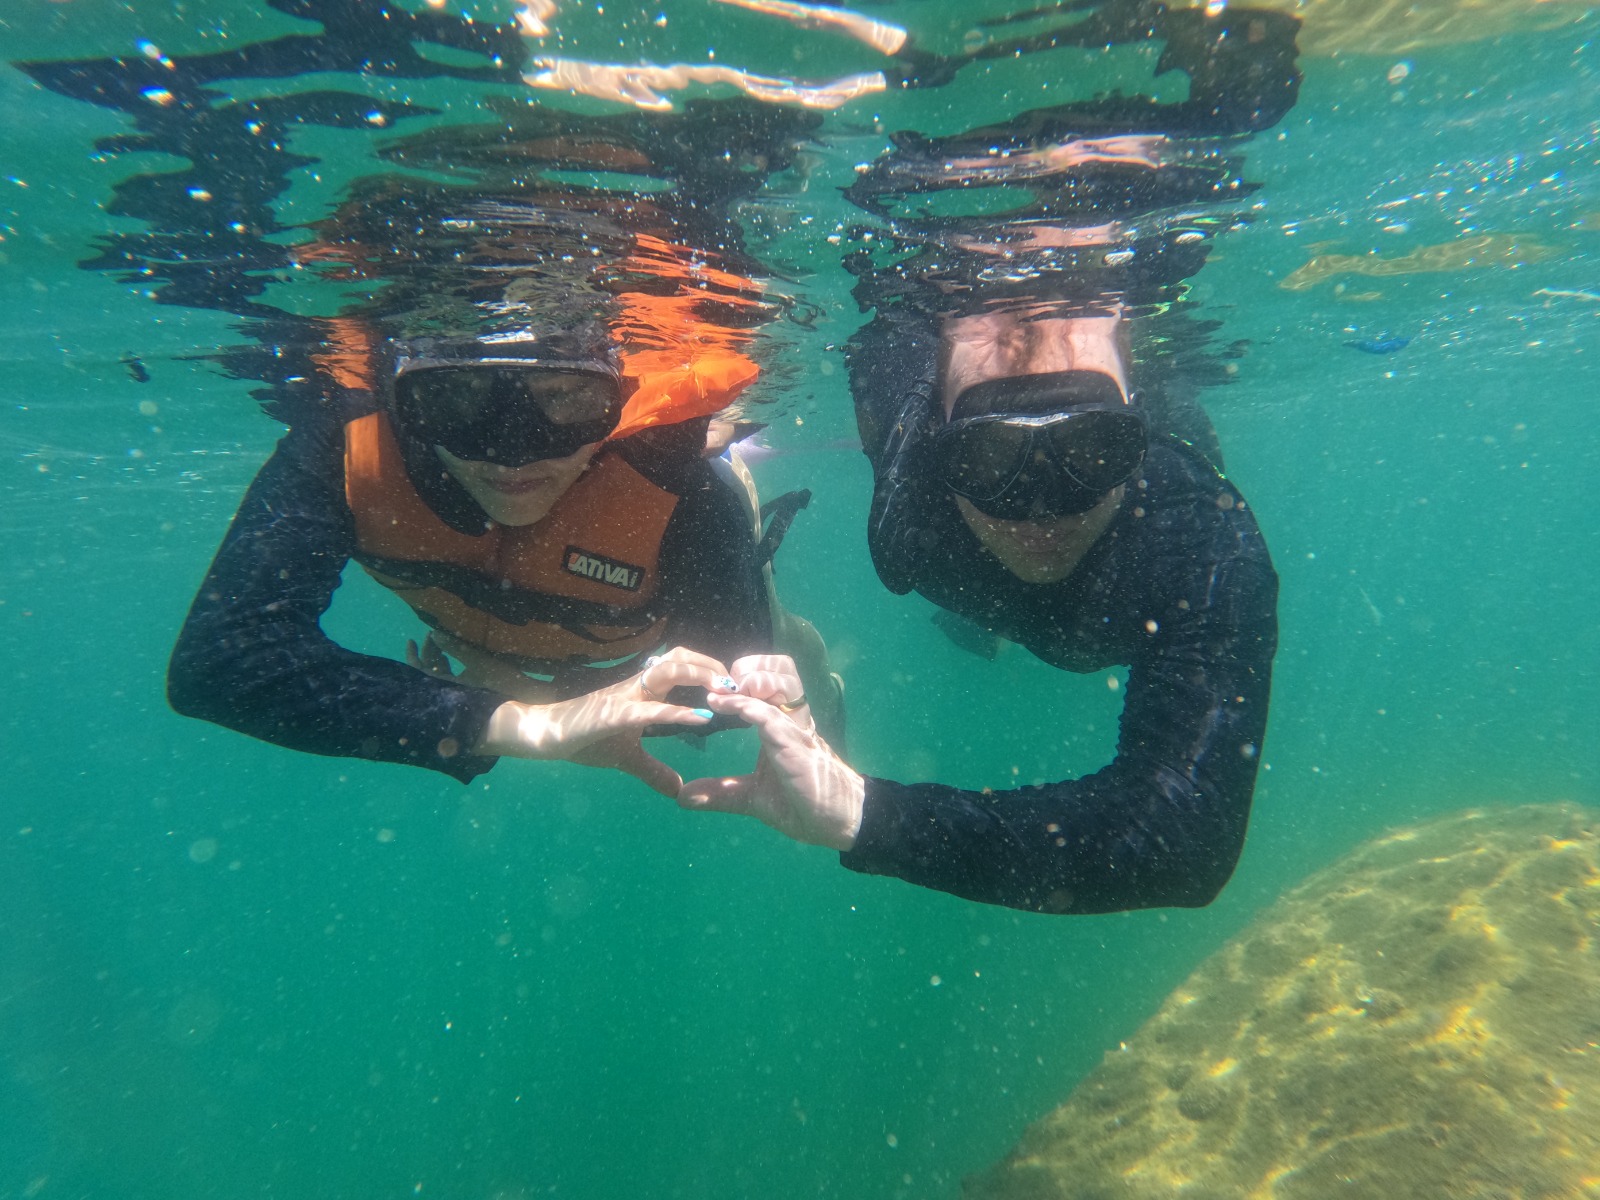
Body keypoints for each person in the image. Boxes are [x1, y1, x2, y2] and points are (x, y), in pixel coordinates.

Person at [679, 304, 1278, 913]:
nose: (1042, 509)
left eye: (1094, 448)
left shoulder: (1201, 542)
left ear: (1135, 437)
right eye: (989, 458)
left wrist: (866, 814)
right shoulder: (910, 492)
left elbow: (1185, 839)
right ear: (941, 445)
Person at [167, 321, 834, 796]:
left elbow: (716, 695)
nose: (514, 453)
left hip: (640, 630)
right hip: (530, 649)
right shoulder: (346, 446)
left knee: (775, 638)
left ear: (615, 401)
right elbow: (222, 658)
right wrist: (514, 723)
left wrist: (522, 698)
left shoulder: (678, 486)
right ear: (407, 399)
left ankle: (806, 638)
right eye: (458, 398)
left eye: (567, 398)